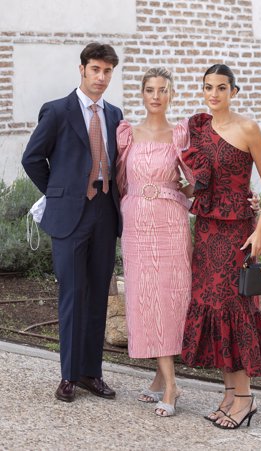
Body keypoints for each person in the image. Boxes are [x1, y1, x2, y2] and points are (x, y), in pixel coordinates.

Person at [22, 43, 123, 402]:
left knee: (98, 296)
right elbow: (32, 158)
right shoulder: (58, 111)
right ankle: (68, 375)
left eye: (107, 71)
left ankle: (90, 373)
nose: (101, 77)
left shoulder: (114, 114)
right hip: (70, 217)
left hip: (105, 214)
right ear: (82, 69)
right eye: (95, 69)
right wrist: (60, 193)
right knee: (72, 295)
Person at [181, 64, 261, 429]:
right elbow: (197, 184)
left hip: (238, 230)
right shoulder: (198, 127)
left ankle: (245, 397)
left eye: (222, 87)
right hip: (205, 229)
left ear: (234, 91)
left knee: (235, 306)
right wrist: (180, 185)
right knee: (212, 306)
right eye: (208, 87)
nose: (214, 94)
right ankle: (227, 393)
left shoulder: (248, 128)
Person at [116, 67, 195, 417]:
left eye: (163, 90)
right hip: (135, 225)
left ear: (171, 94)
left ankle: (172, 385)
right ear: (142, 93)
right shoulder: (127, 133)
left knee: (169, 299)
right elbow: (120, 180)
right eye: (150, 89)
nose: (156, 96)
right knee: (144, 299)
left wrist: (180, 190)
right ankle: (159, 379)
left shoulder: (180, 135)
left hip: (170, 224)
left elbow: (194, 182)